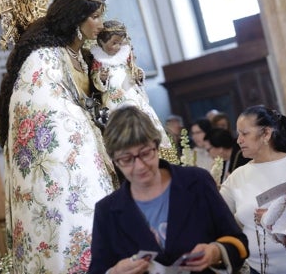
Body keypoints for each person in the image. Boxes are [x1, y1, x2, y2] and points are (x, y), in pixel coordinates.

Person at [0, 0, 121, 272]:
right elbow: (44, 114)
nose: (100, 24)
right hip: (61, 175)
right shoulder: (43, 58)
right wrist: (87, 120)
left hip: (90, 161)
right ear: (76, 18)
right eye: (94, 16)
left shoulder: (79, 56)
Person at [89, 106, 249, 274]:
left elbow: (239, 242)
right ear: (115, 160)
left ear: (156, 146)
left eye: (145, 153)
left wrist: (216, 251)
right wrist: (114, 272)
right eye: (127, 159)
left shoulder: (197, 182)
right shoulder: (107, 210)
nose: (139, 166)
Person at [219, 105, 286, 274]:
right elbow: (219, 216)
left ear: (266, 134)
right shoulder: (237, 176)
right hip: (258, 269)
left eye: (244, 134)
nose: (238, 140)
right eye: (238, 134)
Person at [90, 20, 171, 148]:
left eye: (120, 43)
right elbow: (95, 78)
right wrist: (101, 77)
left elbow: (133, 70)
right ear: (101, 42)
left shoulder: (125, 55)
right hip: (113, 99)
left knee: (142, 116)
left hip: (131, 94)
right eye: (113, 43)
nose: (117, 46)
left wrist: (138, 76)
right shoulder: (99, 59)